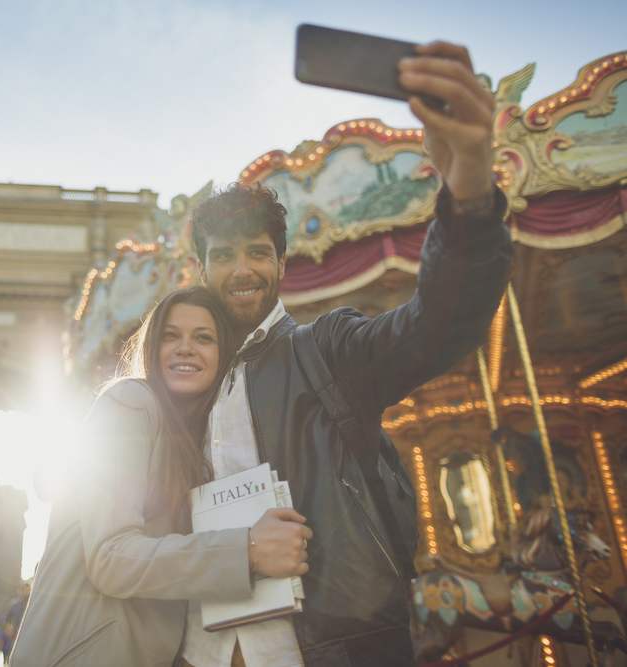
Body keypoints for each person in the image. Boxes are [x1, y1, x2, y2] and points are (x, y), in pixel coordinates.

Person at [181, 41, 512, 667]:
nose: (241, 269)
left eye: (255, 251)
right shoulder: (185, 385)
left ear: (281, 263)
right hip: (204, 650)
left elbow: (434, 326)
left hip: (331, 645)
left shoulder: (326, 351)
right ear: (201, 270)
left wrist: (468, 190)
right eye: (222, 255)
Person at [10, 286, 310, 667]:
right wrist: (248, 550)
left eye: (204, 338)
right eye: (171, 336)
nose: (185, 347)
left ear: (223, 355)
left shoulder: (188, 439)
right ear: (151, 347)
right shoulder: (129, 402)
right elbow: (110, 558)